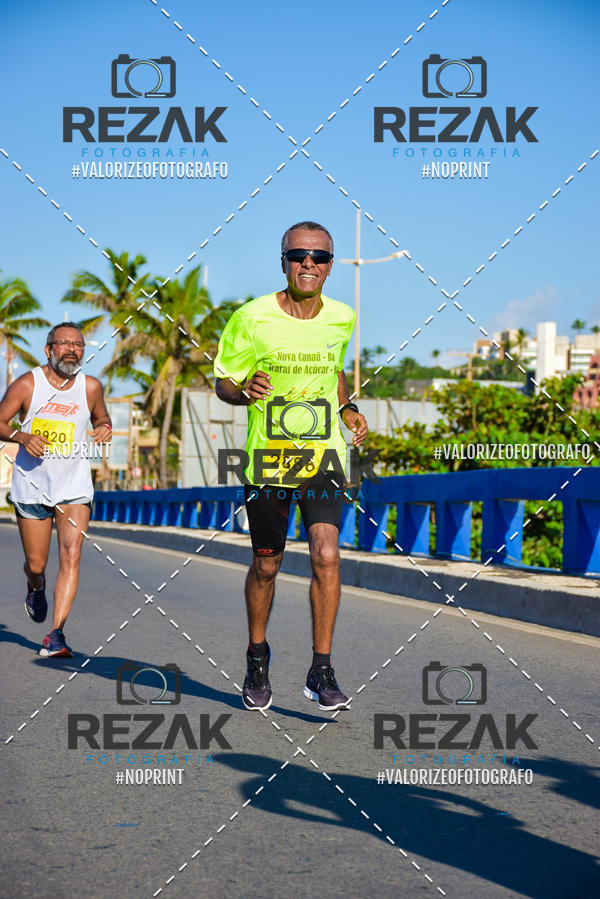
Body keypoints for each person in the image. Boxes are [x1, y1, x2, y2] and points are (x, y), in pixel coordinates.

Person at [214, 221, 368, 712]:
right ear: (283, 261)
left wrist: (347, 409)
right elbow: (223, 382)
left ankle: (321, 669)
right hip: (269, 459)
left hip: (323, 457)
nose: (308, 263)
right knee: (267, 563)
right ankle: (257, 657)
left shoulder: (342, 317)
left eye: (319, 257)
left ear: (330, 266)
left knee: (326, 555)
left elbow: (334, 371)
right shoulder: (251, 317)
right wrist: (244, 392)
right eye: (299, 254)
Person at [0, 322, 112, 657]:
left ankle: (55, 634)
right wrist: (22, 437)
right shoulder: (27, 384)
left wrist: (104, 427)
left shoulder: (90, 387)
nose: (72, 350)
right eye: (63, 344)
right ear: (48, 350)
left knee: (71, 553)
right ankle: (36, 586)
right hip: (32, 485)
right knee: (37, 564)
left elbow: (101, 417)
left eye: (78, 345)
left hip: (73, 486)